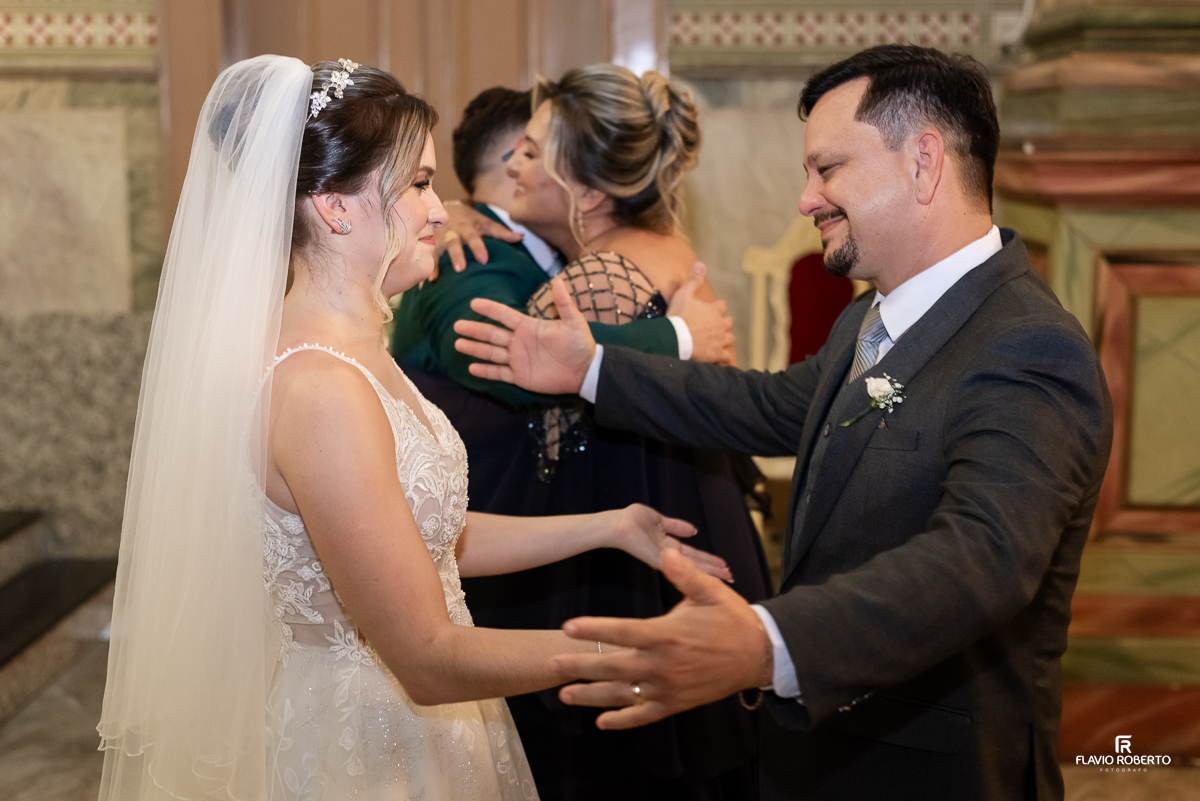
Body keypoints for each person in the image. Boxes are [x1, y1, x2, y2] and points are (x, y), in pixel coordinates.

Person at [455, 45, 1113, 800]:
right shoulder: (870, 314)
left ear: (924, 163)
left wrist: (767, 642)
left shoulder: (1028, 346)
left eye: (827, 169)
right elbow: (769, 406)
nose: (806, 200)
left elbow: (983, 558)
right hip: (822, 749)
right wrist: (592, 369)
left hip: (927, 769)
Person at [96, 55, 734, 801]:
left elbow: (430, 538)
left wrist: (609, 526)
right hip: (365, 750)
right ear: (336, 208)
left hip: (421, 729)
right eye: (421, 184)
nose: (442, 211)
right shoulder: (321, 390)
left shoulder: (359, 349)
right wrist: (633, 654)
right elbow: (427, 657)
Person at [396, 68, 770, 801]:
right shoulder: (627, 248)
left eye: (535, 152)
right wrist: (680, 338)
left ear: (587, 191)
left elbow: (540, 362)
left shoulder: (601, 272)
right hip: (646, 520)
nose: (517, 164)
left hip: (623, 544)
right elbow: (534, 366)